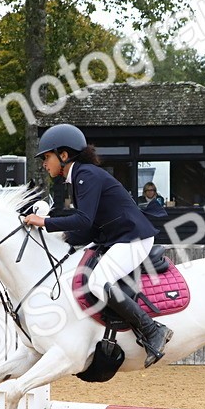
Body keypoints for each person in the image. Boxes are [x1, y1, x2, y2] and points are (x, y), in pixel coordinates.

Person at [21, 123, 172, 367]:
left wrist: (44, 221)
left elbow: (83, 220)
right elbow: (87, 227)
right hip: (118, 237)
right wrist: (62, 240)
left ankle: (153, 330)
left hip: (133, 237)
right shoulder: (80, 176)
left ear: (64, 155)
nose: (44, 163)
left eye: (47, 157)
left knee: (98, 282)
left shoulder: (86, 175)